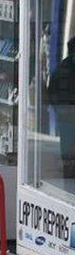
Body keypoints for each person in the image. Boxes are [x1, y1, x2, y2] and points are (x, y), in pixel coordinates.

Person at [48, 37, 75, 179]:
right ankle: (70, 176)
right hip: (67, 117)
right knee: (68, 151)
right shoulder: (63, 70)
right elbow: (51, 93)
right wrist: (63, 109)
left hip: (65, 116)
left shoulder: (60, 69)